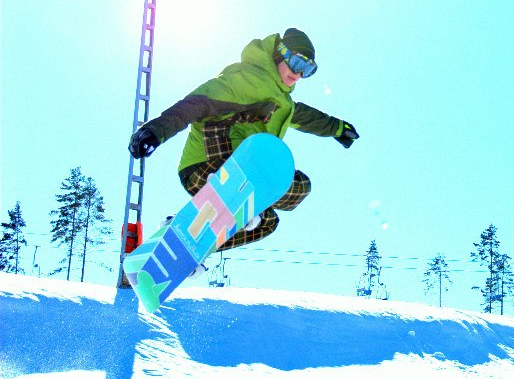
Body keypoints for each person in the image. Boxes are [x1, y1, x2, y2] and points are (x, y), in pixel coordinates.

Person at [128, 28, 359, 251]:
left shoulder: (284, 103)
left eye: (308, 70)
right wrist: (156, 130)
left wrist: (338, 128)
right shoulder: (246, 78)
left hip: (242, 173)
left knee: (278, 209)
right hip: (206, 164)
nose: (299, 75)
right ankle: (228, 188)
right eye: (298, 64)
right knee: (256, 166)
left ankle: (188, 240)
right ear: (280, 52)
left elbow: (307, 118)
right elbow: (199, 103)